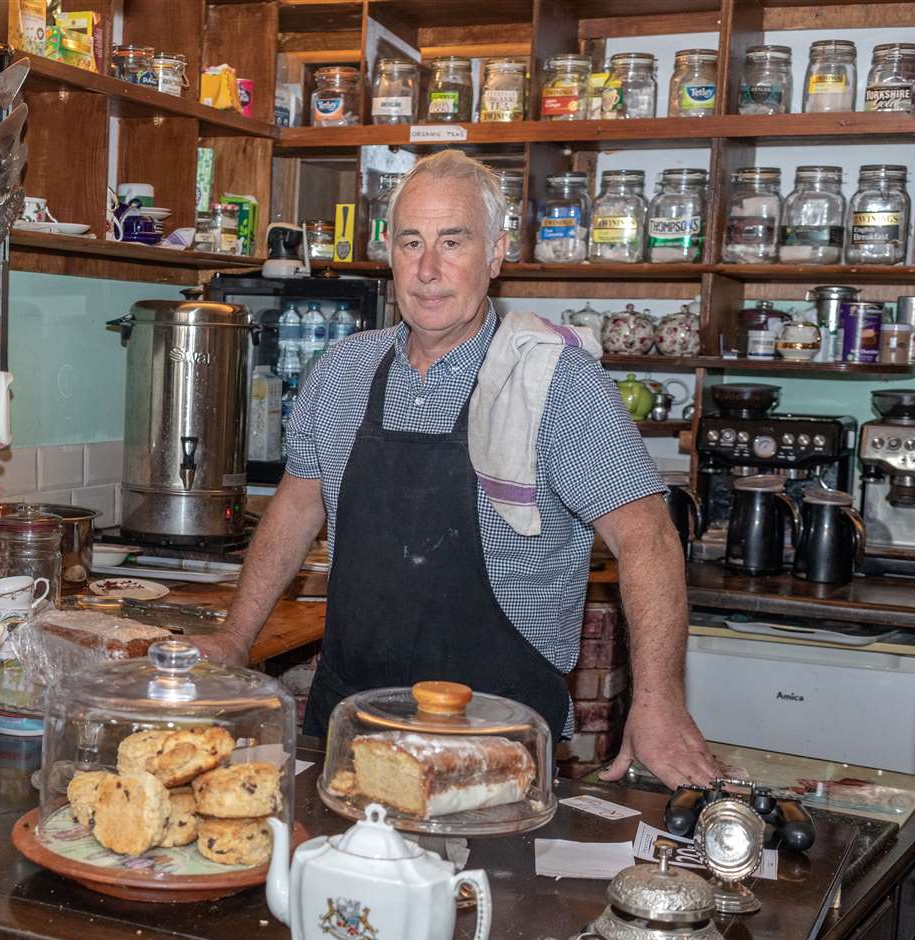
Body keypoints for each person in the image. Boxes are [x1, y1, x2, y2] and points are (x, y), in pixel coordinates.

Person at [196, 150, 720, 789]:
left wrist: (659, 700)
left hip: (497, 738)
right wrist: (234, 638)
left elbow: (648, 537)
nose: (427, 269)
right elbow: (297, 507)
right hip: (349, 726)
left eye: (453, 242)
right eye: (411, 241)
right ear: (388, 252)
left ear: (496, 254)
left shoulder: (551, 380)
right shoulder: (342, 371)